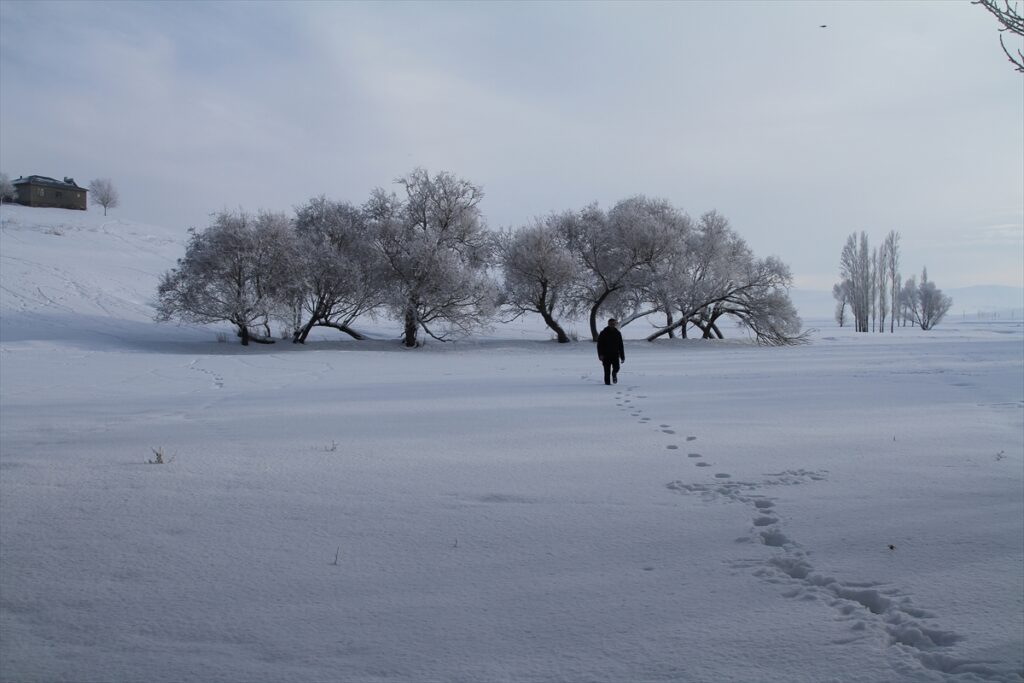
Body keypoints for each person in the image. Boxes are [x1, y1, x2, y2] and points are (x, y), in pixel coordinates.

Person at [597, 318, 625, 385]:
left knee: (617, 368)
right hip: (605, 355)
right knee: (607, 371)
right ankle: (607, 385)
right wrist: (600, 355)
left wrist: (622, 356)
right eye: (610, 324)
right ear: (608, 324)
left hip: (615, 354)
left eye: (613, 323)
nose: (612, 325)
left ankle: (614, 373)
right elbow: (599, 345)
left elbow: (621, 345)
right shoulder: (603, 333)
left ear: (615, 324)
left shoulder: (618, 333)